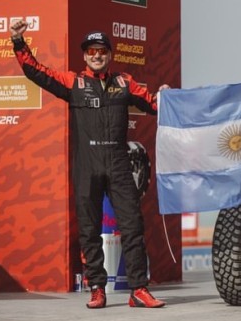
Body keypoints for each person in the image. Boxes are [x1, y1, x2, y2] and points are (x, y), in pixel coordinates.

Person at [9, 20, 168, 309]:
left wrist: (167, 98)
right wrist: (19, 42)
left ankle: (138, 290)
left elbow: (153, 104)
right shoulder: (74, 82)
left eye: (102, 51)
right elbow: (35, 72)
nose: (97, 55)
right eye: (91, 51)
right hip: (87, 166)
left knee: (133, 226)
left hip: (119, 164)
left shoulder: (124, 82)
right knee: (89, 229)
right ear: (85, 56)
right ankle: (97, 288)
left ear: (110, 54)